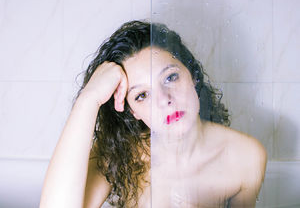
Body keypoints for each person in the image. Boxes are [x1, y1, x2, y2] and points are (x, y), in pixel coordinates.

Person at [40, 20, 267, 208]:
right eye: (142, 95)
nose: (164, 101)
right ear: (133, 111)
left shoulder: (246, 156)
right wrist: (88, 100)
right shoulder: (119, 152)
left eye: (170, 77)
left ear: (193, 75)